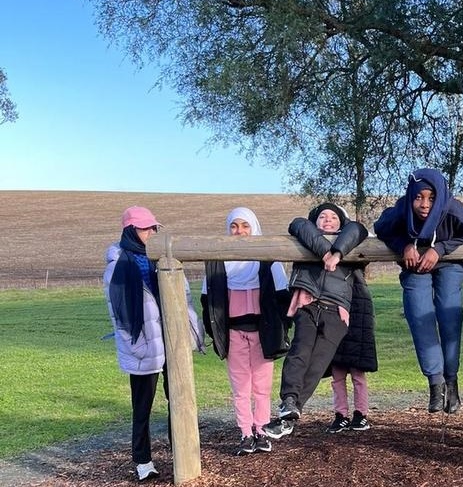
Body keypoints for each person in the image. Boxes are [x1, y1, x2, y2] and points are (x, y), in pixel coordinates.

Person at [103, 206, 205, 482]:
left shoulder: (164, 260)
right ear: (130, 231)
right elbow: (120, 315)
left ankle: (181, 451)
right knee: (143, 406)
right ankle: (142, 460)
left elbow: (184, 301)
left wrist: (191, 332)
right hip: (143, 347)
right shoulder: (118, 267)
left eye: (153, 228)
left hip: (172, 343)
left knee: (180, 399)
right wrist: (135, 346)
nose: (151, 232)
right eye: (145, 228)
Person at [374, 168, 463, 414]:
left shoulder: (455, 211)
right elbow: (381, 228)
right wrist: (404, 245)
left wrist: (439, 249)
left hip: (449, 265)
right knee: (420, 319)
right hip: (414, 267)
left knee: (450, 320)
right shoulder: (400, 210)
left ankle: (451, 381)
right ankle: (435, 383)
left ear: (440, 196)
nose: (424, 204)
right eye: (419, 197)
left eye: (431, 197)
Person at [265, 202, 368, 439]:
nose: (328, 219)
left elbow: (358, 228)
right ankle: (289, 400)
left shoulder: (352, 242)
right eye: (322, 216)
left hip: (336, 311)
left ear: (341, 223)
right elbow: (298, 224)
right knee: (300, 351)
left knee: (319, 363)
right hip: (309, 305)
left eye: (334, 217)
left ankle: (290, 414)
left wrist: (338, 252)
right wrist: (326, 252)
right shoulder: (305, 238)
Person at [200, 207, 291, 455]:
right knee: (241, 388)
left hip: (263, 334)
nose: (239, 231)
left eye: (245, 226)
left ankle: (261, 430)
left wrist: (281, 330)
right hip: (233, 334)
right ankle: (245, 433)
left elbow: (283, 299)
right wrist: (215, 333)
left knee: (262, 387)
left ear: (254, 228)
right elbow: (207, 303)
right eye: (234, 226)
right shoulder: (218, 264)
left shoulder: (268, 262)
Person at [324, 262, 378, 433]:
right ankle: (341, 414)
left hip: (355, 329)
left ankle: (360, 413)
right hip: (337, 327)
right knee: (338, 375)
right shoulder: (332, 277)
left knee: (357, 375)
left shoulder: (357, 282)